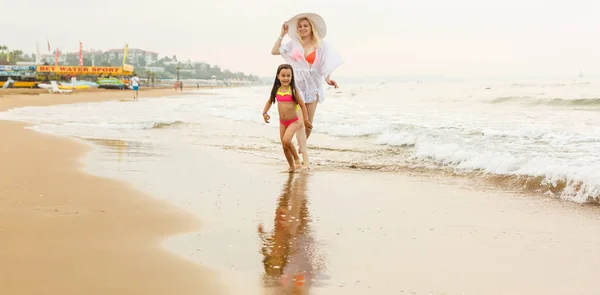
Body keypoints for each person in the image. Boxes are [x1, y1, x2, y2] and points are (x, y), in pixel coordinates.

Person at [271, 12, 343, 166]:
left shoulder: (321, 45)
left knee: (308, 123)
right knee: (300, 122)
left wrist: (328, 78)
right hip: (297, 85)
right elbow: (275, 51)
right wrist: (281, 35)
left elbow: (326, 64)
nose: (303, 28)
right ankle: (305, 159)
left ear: (311, 27)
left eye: (305, 26)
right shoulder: (293, 44)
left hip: (313, 85)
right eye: (300, 26)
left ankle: (301, 147)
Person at [262, 64, 313, 173]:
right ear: (278, 76)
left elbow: (302, 105)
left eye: (288, 76)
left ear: (292, 77)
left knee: (286, 140)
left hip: (294, 121)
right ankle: (291, 166)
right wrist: (265, 112)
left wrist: (306, 120)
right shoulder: (276, 90)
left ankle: (297, 161)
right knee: (284, 146)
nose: (286, 78)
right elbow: (270, 101)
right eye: (283, 75)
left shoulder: (293, 90)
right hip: (282, 122)